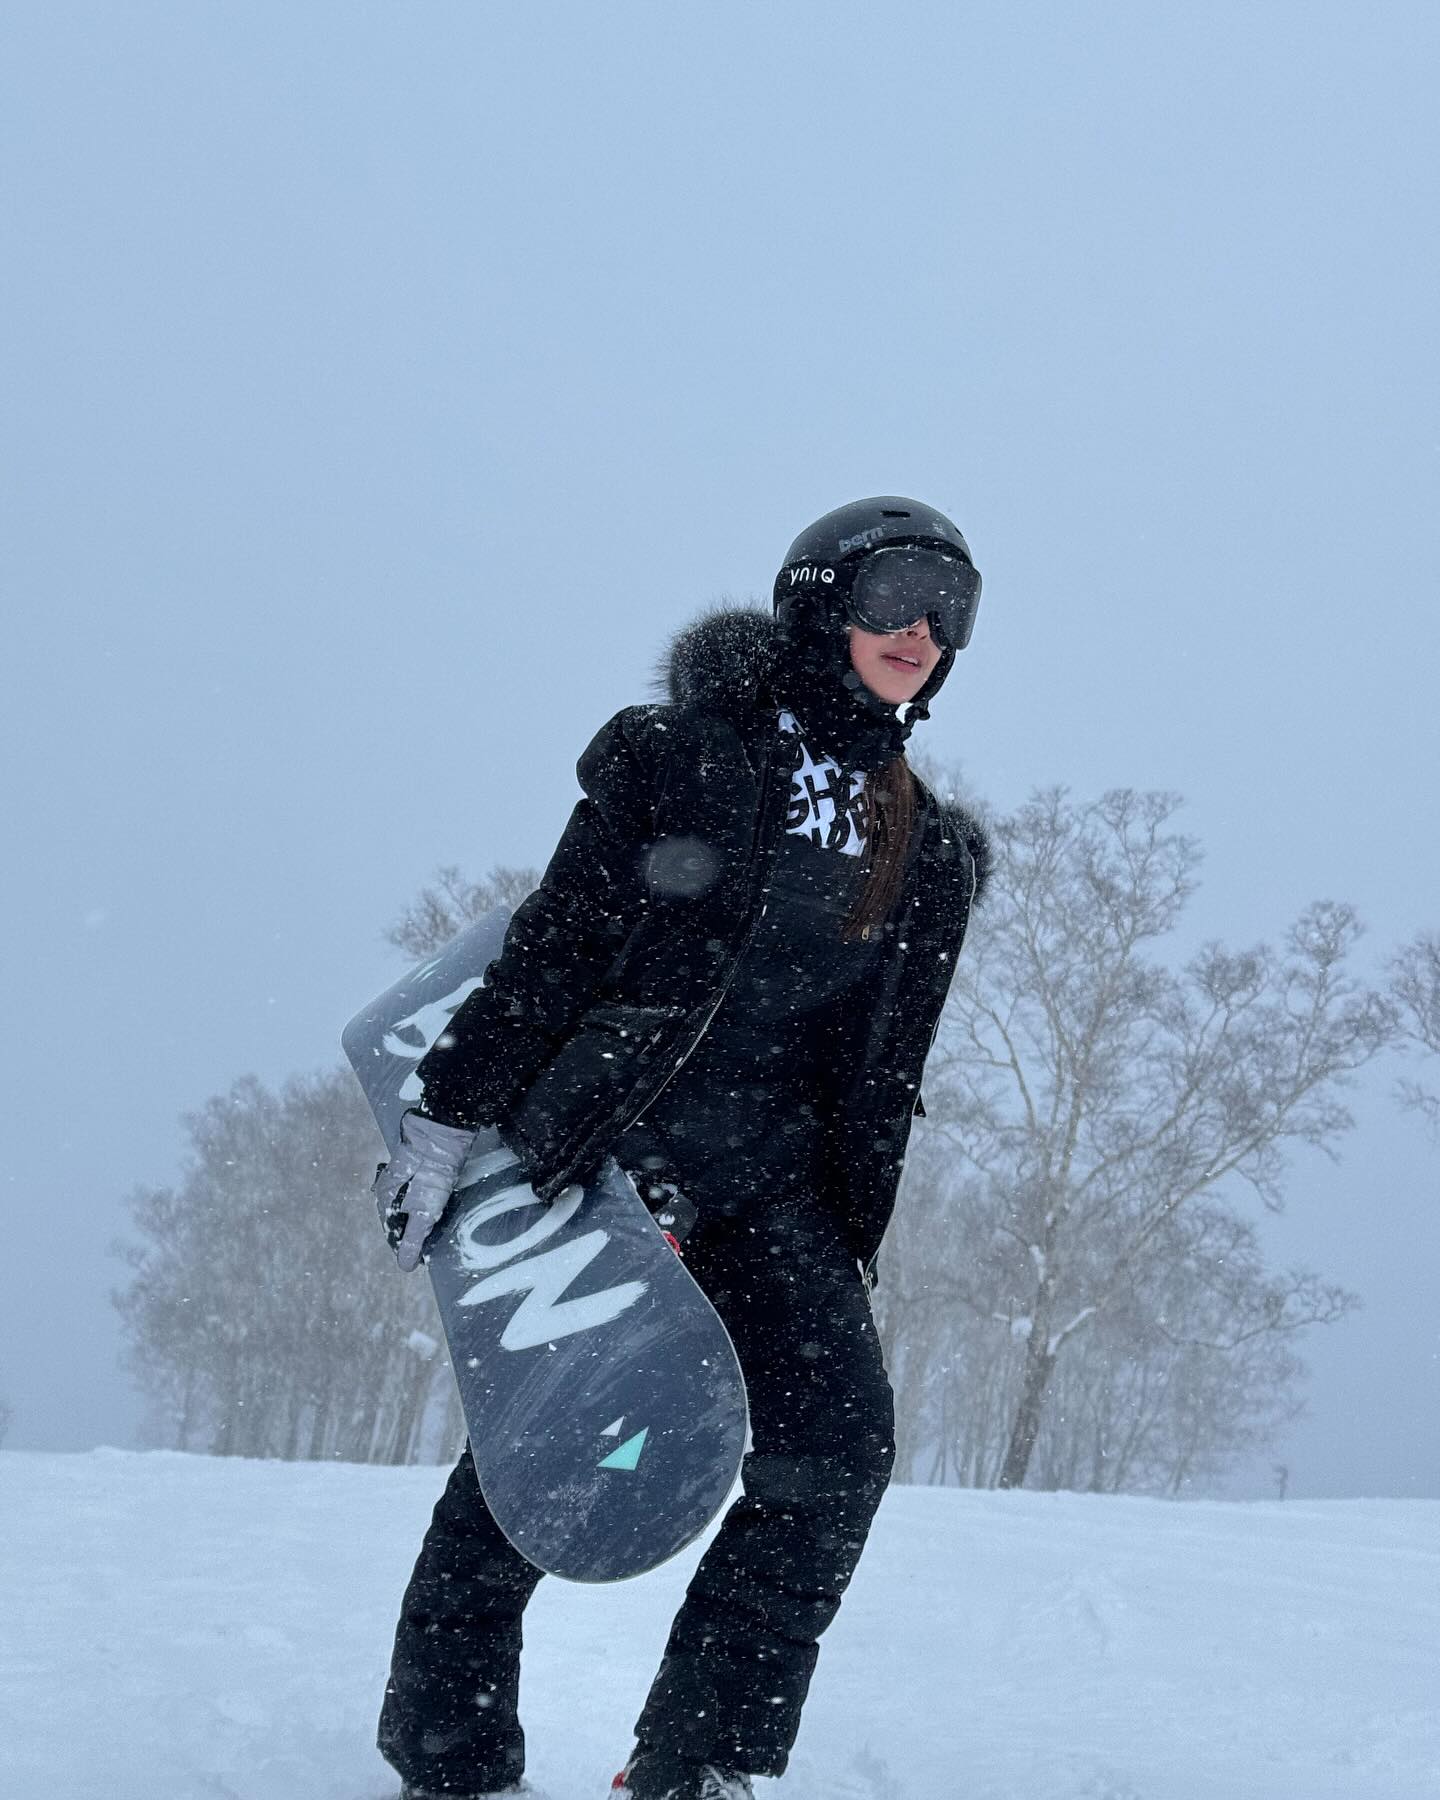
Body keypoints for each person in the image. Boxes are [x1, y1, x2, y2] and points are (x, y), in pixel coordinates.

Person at [372, 496, 991, 1800]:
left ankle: (696, 1759)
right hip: (616, 1151)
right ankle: (450, 1748)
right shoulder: (685, 759)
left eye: (953, 603)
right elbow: (552, 954)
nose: (922, 627)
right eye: (897, 588)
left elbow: (879, 1073)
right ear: (822, 598)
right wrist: (446, 1118)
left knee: (836, 1454)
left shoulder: (926, 851)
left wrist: (846, 1230)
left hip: (776, 1193)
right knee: (553, 1445)